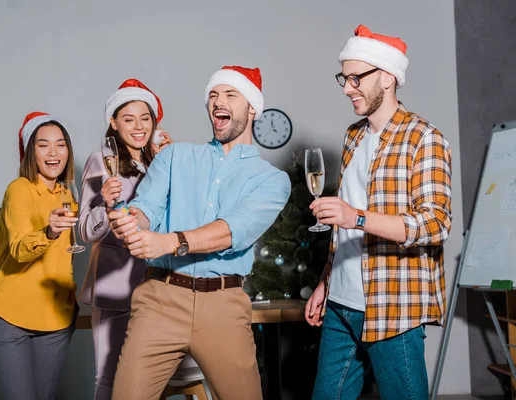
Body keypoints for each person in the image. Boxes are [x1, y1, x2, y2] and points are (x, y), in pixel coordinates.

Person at [108, 65, 291, 400]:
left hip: (223, 305)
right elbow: (145, 209)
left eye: (230, 94)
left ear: (252, 107)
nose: (217, 101)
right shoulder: (174, 156)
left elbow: (233, 230)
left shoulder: (271, 180)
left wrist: (169, 241)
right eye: (213, 95)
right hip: (160, 300)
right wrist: (130, 221)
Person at [305, 25, 452, 399]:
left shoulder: (424, 137)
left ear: (387, 77)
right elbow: (343, 229)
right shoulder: (353, 136)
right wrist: (326, 280)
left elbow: (435, 224)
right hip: (341, 304)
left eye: (356, 78)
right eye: (344, 77)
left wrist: (355, 215)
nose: (346, 87)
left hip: (393, 306)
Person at [78, 78, 172, 400]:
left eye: (145, 118)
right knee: (108, 378)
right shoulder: (99, 161)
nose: (138, 126)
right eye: (129, 119)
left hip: (157, 287)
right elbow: (84, 231)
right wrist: (104, 203)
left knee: (147, 382)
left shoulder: (159, 161)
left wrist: (172, 162)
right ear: (113, 123)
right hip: (116, 287)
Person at [0, 111, 79, 400]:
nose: (54, 153)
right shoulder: (19, 190)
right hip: (12, 318)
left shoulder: (67, 194)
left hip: (56, 320)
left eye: (61, 144)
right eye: (43, 145)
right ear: (30, 152)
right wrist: (49, 232)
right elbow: (19, 249)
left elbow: (67, 255)